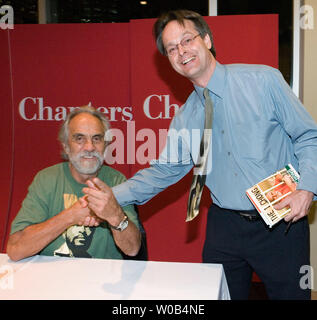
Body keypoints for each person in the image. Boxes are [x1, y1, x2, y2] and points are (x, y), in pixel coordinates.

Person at [105, 10, 317, 299]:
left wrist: (307, 188)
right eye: (171, 49)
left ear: (206, 39)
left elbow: (308, 136)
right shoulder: (185, 117)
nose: (181, 52)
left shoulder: (263, 81)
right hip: (224, 227)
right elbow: (163, 172)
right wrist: (112, 196)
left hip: (281, 223)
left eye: (187, 40)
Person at [6, 106, 143, 261]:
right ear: (65, 146)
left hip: (100, 280)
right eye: (79, 138)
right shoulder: (47, 179)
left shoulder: (116, 181)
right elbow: (15, 250)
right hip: (52, 279)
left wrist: (115, 215)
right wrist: (72, 215)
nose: (90, 147)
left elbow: (133, 249)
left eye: (97, 139)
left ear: (105, 146)